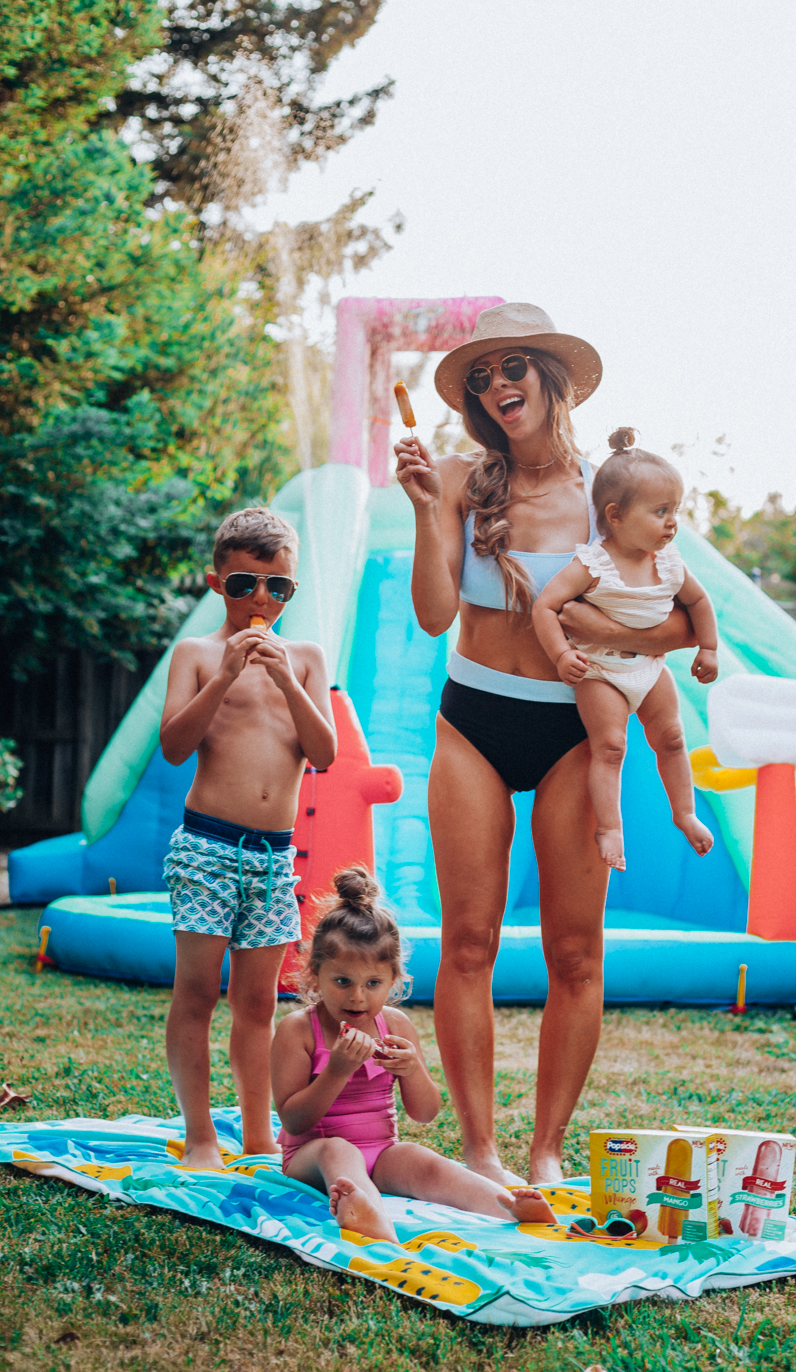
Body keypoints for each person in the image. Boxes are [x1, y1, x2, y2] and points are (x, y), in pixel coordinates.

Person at [393, 303, 696, 1185]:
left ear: (553, 380)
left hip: (574, 728)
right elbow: (435, 614)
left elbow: (677, 618)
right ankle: (482, 1151)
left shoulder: (614, 491)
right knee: (470, 942)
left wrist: (601, 635)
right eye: (482, 378)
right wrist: (423, 511)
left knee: (575, 950)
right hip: (473, 722)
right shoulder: (456, 478)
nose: (497, 387)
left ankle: (548, 1149)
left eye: (514, 366)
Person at [160, 507, 337, 1169]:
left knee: (259, 1000)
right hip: (207, 847)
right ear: (216, 583)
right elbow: (175, 747)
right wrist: (228, 675)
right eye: (243, 585)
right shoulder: (198, 654)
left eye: (278, 588)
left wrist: (287, 678)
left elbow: (324, 754)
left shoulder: (308, 659)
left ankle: (259, 1135)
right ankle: (202, 1134)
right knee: (199, 990)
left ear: (292, 589)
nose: (260, 600)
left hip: (272, 855)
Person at [271, 866, 556, 1242]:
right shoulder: (297, 1030)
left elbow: (424, 1113)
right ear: (315, 975)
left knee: (424, 1161)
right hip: (313, 1156)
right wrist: (337, 1070)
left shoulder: (396, 1025)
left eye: (373, 984)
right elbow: (293, 1122)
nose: (357, 997)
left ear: (394, 980)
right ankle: (366, 1211)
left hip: (382, 1151)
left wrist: (412, 1071)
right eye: (342, 982)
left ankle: (504, 1204)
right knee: (338, 1150)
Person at [532, 428, 719, 871]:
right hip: (600, 671)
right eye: (660, 511)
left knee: (672, 739)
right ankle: (610, 828)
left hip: (652, 668)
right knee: (611, 747)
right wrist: (561, 654)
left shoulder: (669, 563)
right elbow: (545, 606)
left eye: (675, 510)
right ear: (615, 515)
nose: (672, 522)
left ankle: (685, 813)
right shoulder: (594, 563)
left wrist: (708, 649)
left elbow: (699, 602)